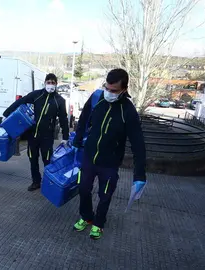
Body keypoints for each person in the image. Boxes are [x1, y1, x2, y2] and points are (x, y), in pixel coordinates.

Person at [72, 68, 147, 240]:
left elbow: (138, 144)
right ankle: (86, 216)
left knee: (105, 195)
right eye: (107, 88)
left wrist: (140, 174)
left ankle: (98, 223)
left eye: (114, 91)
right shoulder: (97, 98)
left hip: (110, 163)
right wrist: (77, 141)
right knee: (83, 189)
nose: (109, 93)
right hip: (89, 157)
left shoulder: (128, 111)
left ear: (124, 90)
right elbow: (83, 120)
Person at [3, 73, 70, 191]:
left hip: (47, 137)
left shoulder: (59, 100)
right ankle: (36, 181)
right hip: (33, 135)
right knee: (32, 159)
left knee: (47, 161)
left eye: (53, 83)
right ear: (45, 83)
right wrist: (6, 114)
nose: (50, 85)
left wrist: (65, 137)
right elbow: (21, 101)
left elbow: (64, 119)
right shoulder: (37, 95)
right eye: (48, 82)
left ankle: (49, 183)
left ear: (56, 84)